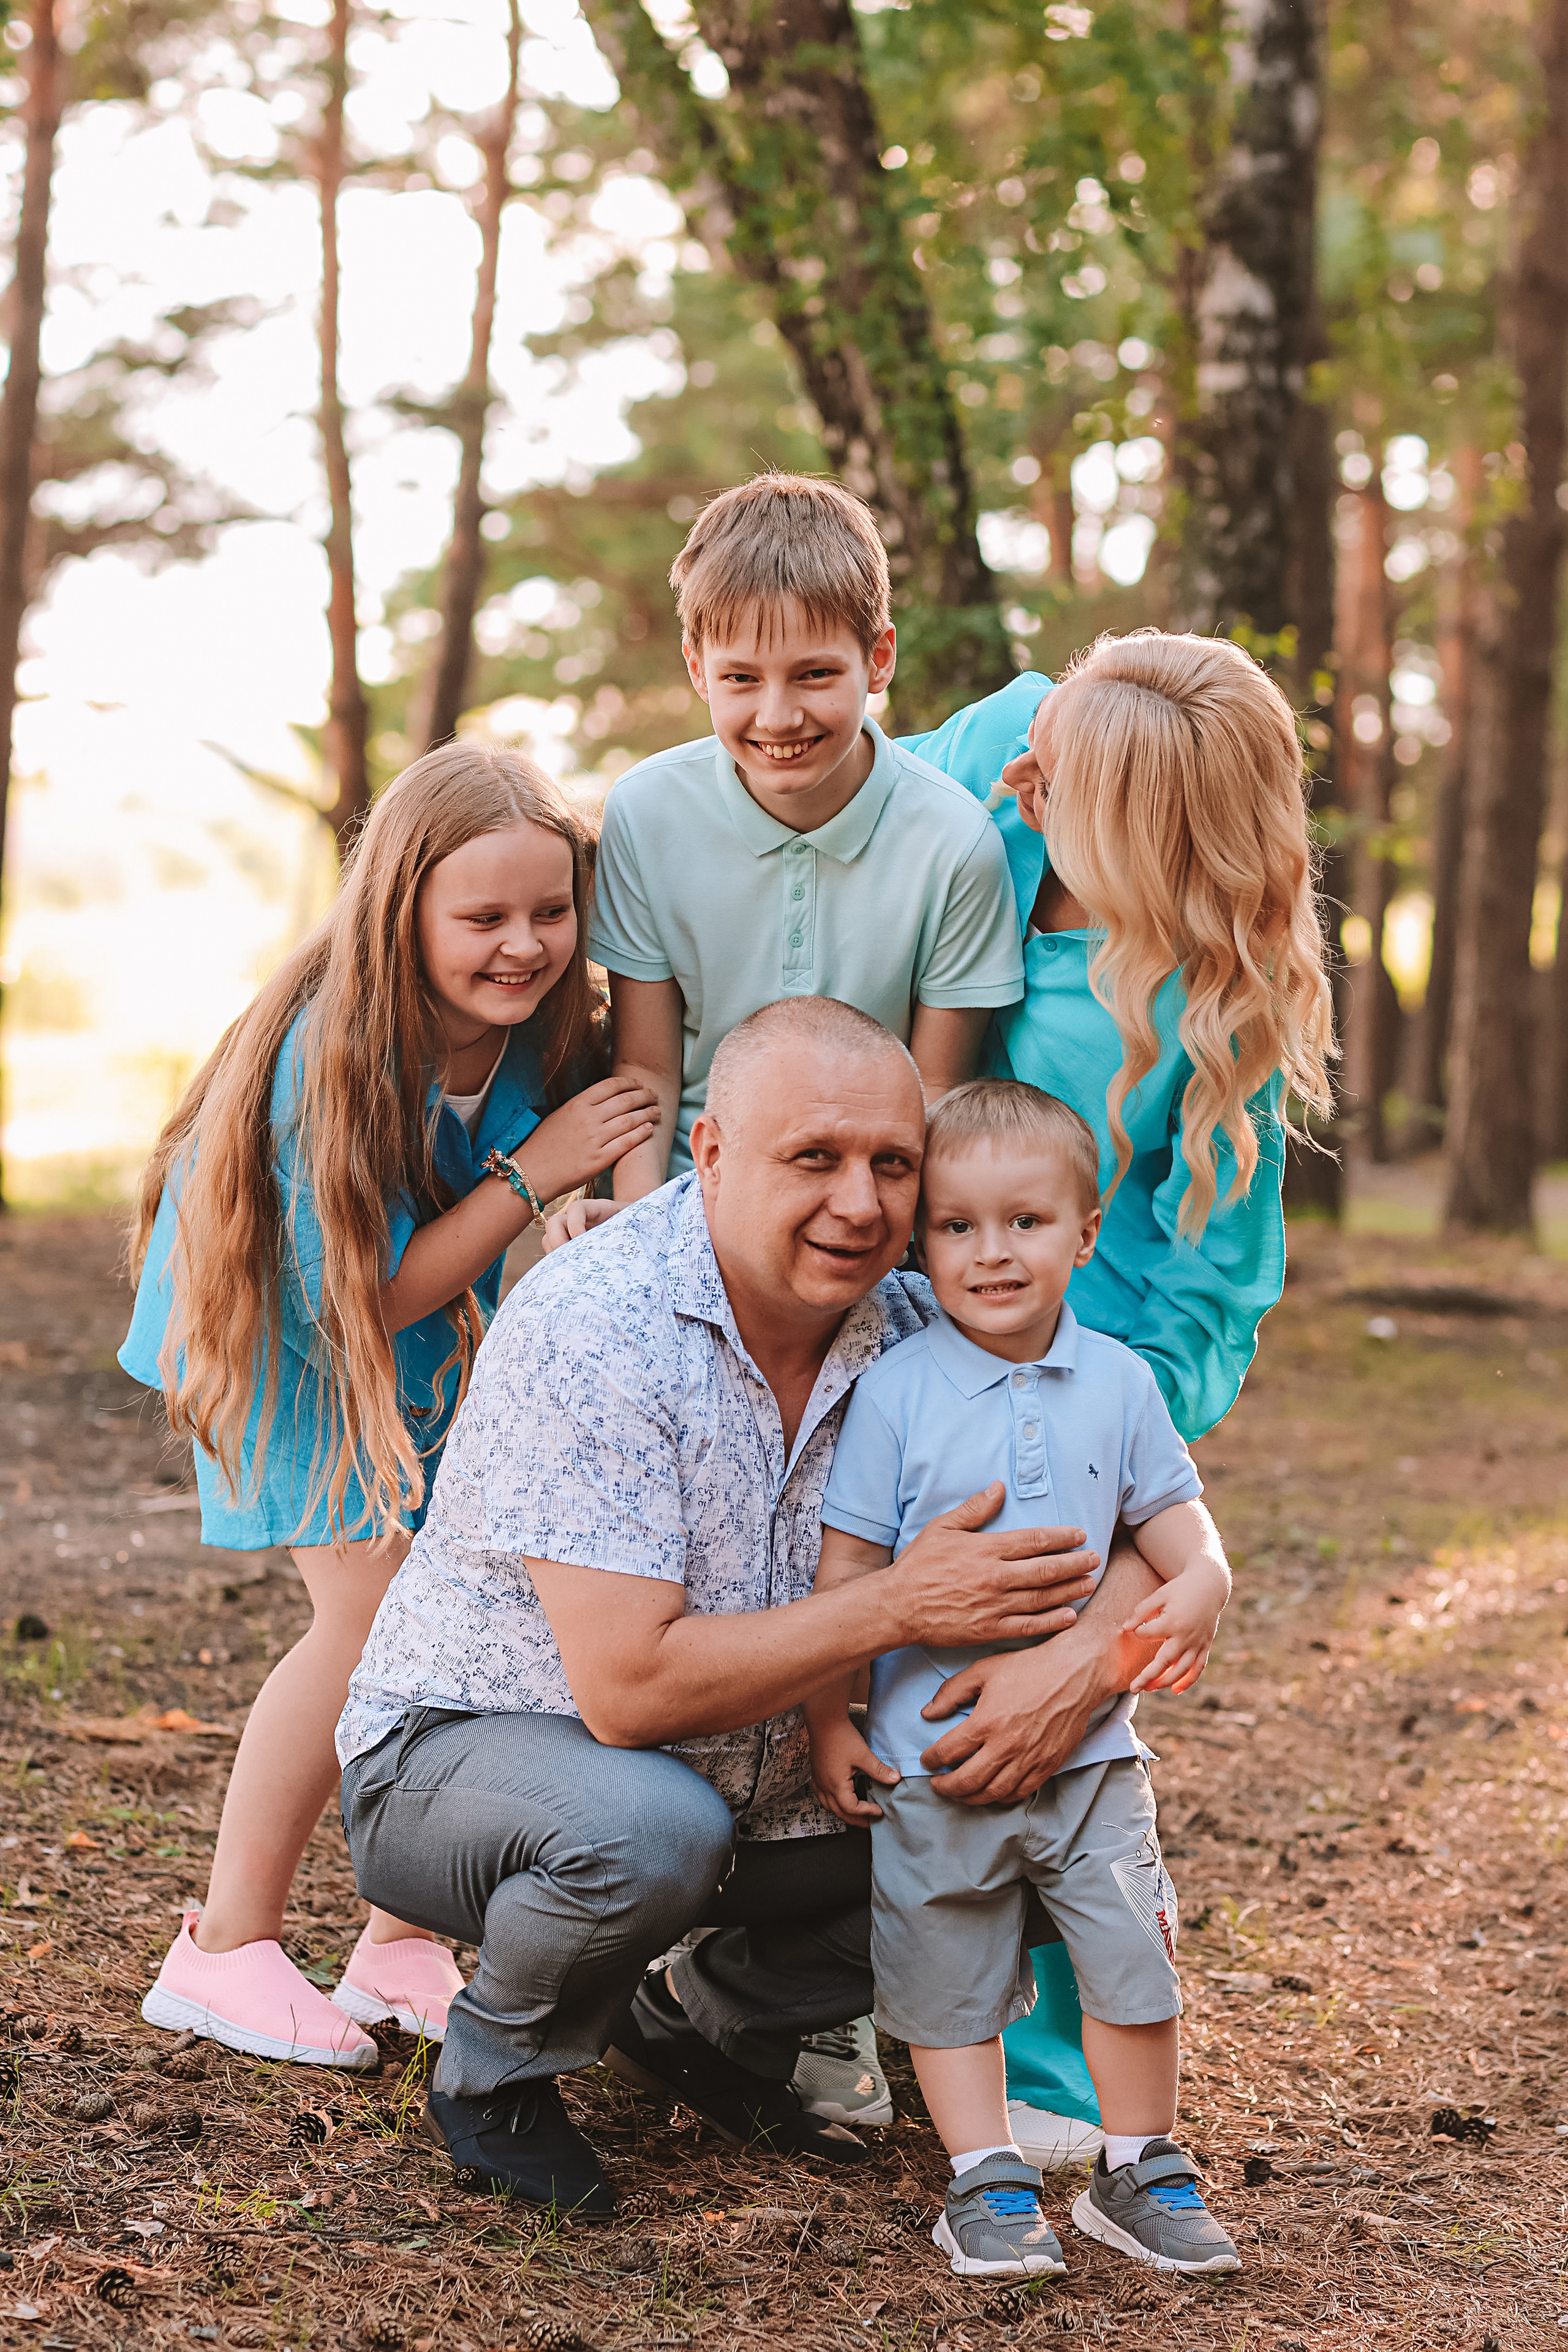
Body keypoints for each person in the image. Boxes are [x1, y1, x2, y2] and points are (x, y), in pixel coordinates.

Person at [334, 998, 1166, 2217]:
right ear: (710, 1152)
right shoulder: (594, 1324)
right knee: (645, 1829)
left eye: (891, 1164)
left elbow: (1147, 1524)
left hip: (764, 1798)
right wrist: (895, 1604)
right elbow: (627, 1694)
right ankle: (496, 2071)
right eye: (813, 1159)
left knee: (1057, 1824)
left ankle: (706, 2011)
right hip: (466, 1762)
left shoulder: (924, 1328)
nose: (861, 1202)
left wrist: (1079, 1666)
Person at [121, 744, 660, 2067]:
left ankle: (397, 1937)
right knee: (368, 1621)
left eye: (550, 912)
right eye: (482, 919)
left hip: (411, 1348)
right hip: (295, 1341)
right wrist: (536, 1178)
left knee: (452, 1624)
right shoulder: (331, 1058)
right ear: (399, 910)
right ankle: (224, 1946)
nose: (524, 945)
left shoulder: (535, 1025)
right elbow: (364, 1295)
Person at [902, 631, 1333, 2166]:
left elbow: (1194, 1292)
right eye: (1042, 741)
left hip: (1062, 1375)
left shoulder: (1209, 1004)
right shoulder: (1010, 740)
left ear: (1149, 836)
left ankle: (1055, 2061)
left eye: (1061, 785)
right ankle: (810, 1984)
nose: (1025, 775)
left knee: (1050, 1662)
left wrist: (1090, 1482)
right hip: (864, 1295)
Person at [807, 1079, 1239, 2279]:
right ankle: (981, 2177)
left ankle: (1137, 2163)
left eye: (1024, 1223)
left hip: (1095, 1756)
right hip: (930, 1751)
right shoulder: (891, 1395)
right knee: (947, 1962)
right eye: (956, 1227)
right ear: (918, 1239)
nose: (990, 1253)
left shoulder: (1117, 1382)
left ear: (1084, 1233)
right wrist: (826, 1714)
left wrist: (1201, 1584)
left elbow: (1180, 1530)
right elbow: (846, 1574)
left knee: (1127, 1957)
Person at [585, 470, 1025, 1199]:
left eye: (815, 674)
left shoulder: (955, 844)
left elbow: (935, 1092)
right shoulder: (646, 812)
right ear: (698, 670)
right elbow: (648, 1072)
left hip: (863, 1204)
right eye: (741, 679)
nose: (778, 716)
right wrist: (645, 1245)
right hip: (688, 1197)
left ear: (878, 658)